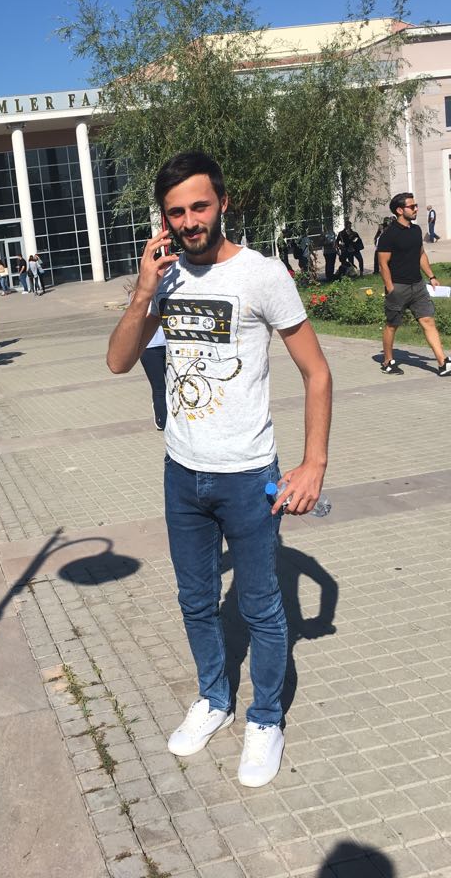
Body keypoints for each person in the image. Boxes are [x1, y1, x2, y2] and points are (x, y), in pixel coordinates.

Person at [107, 151, 332, 788]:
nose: (189, 221)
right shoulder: (167, 279)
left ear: (223, 204)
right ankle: (213, 698)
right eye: (176, 212)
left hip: (248, 476)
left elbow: (317, 372)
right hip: (182, 473)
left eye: (199, 206)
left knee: (261, 607)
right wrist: (144, 291)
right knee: (196, 599)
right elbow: (118, 361)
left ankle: (265, 717)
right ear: (164, 219)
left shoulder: (262, 276)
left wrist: (314, 464)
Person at [376, 192, 451, 377]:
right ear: (400, 210)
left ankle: (442, 363)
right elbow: (383, 264)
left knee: (428, 321)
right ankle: (388, 361)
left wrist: (431, 276)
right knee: (392, 325)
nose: (416, 209)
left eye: (416, 205)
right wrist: (390, 287)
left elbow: (421, 255)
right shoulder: (389, 235)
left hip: (418, 286)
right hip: (398, 287)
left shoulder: (416, 230)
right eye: (412, 206)